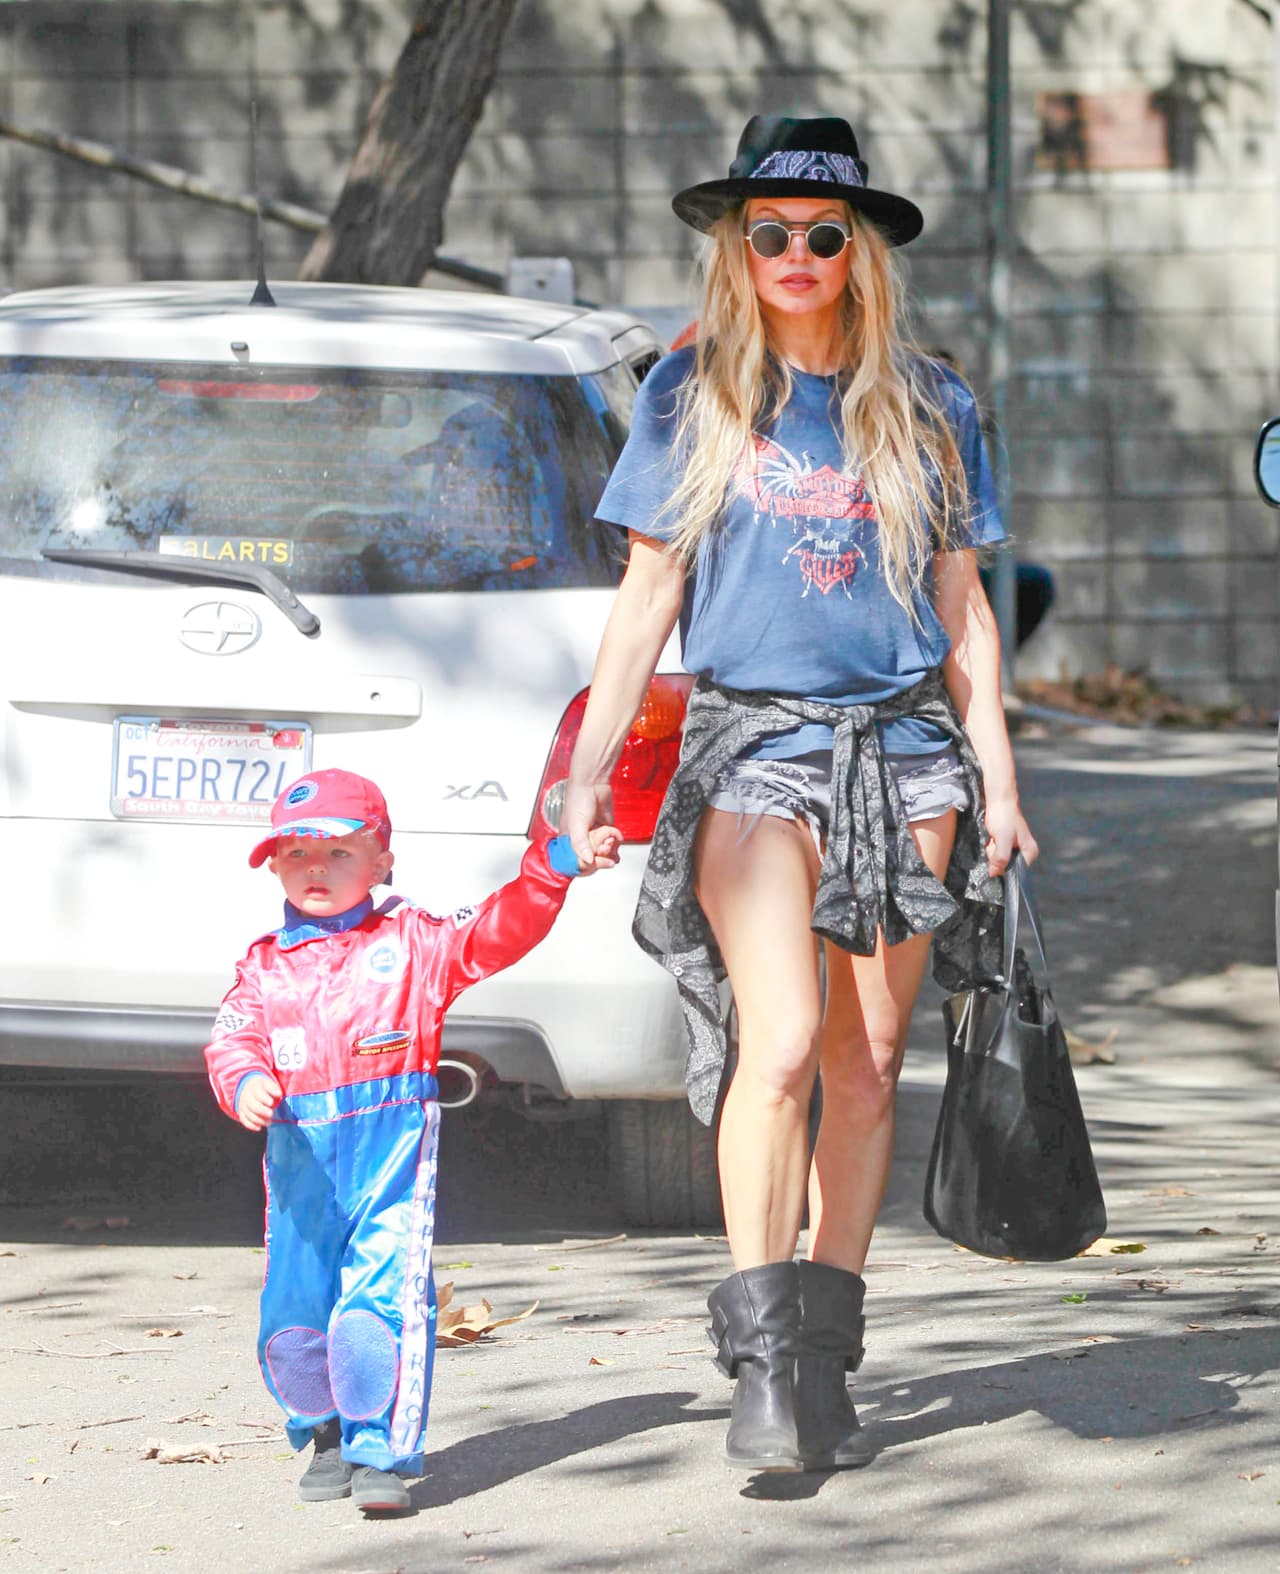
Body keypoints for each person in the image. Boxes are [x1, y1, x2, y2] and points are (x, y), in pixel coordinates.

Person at [562, 115, 1037, 1475]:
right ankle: (762, 1367)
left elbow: (963, 621)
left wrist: (998, 782)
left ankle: (824, 1348)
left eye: (823, 232)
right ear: (737, 243)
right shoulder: (690, 390)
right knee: (778, 1043)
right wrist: (589, 778)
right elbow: (647, 595)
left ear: (861, 249)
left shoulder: (935, 405)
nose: (794, 254)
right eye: (767, 230)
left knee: (870, 1059)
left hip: (904, 753)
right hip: (755, 750)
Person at [204, 768, 618, 1512]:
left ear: (381, 860)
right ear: (272, 865)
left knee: (380, 1296)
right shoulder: (263, 965)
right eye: (294, 853)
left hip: (390, 1142)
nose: (315, 869)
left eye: (336, 852)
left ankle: (378, 1450)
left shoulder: (415, 942)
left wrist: (554, 864)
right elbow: (232, 1038)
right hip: (300, 1155)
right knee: (293, 1312)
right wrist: (244, 1082)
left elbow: (498, 927)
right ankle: (321, 1429)